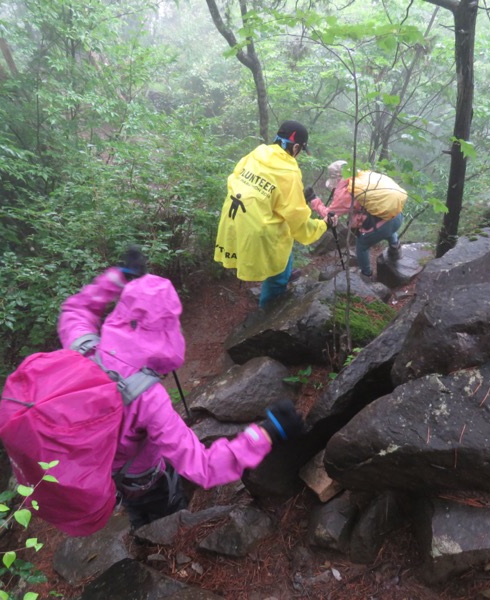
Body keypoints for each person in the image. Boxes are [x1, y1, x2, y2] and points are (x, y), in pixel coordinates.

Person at [57, 247, 304, 528]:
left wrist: (118, 277)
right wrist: (269, 431)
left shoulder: (83, 351)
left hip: (102, 471)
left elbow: (75, 309)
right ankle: (164, 535)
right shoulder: (148, 399)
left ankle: (142, 531)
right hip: (146, 481)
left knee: (137, 510)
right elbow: (204, 467)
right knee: (165, 512)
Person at [214, 120, 337, 308]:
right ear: (295, 147)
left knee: (284, 248)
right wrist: (324, 224)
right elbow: (299, 223)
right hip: (259, 230)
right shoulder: (289, 172)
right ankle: (267, 316)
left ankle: (285, 272)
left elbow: (234, 179)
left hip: (233, 219)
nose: (299, 154)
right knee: (278, 267)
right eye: (301, 150)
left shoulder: (256, 154)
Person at [305, 160, 403, 280]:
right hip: (397, 216)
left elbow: (330, 215)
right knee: (384, 217)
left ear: (336, 179)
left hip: (383, 226)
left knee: (362, 245)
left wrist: (313, 199)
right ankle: (395, 247)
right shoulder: (363, 177)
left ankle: (366, 274)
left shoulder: (346, 192)